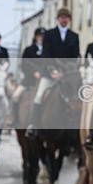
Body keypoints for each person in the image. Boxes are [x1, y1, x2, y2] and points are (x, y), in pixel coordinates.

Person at [26, 8, 80, 136]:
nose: (63, 19)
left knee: (78, 96)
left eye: (66, 17)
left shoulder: (74, 36)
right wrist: (52, 70)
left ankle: (77, 125)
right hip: (51, 74)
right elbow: (46, 55)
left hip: (67, 75)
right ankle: (33, 124)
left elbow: (75, 56)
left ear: (69, 19)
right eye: (61, 17)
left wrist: (68, 71)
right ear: (57, 19)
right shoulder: (49, 35)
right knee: (39, 95)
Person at [11, 27, 46, 110]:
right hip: (29, 80)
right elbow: (24, 66)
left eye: (43, 36)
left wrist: (42, 73)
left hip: (44, 79)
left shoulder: (48, 51)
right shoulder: (28, 50)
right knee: (16, 95)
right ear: (35, 37)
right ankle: (15, 119)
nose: (41, 38)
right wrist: (33, 73)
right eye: (39, 36)